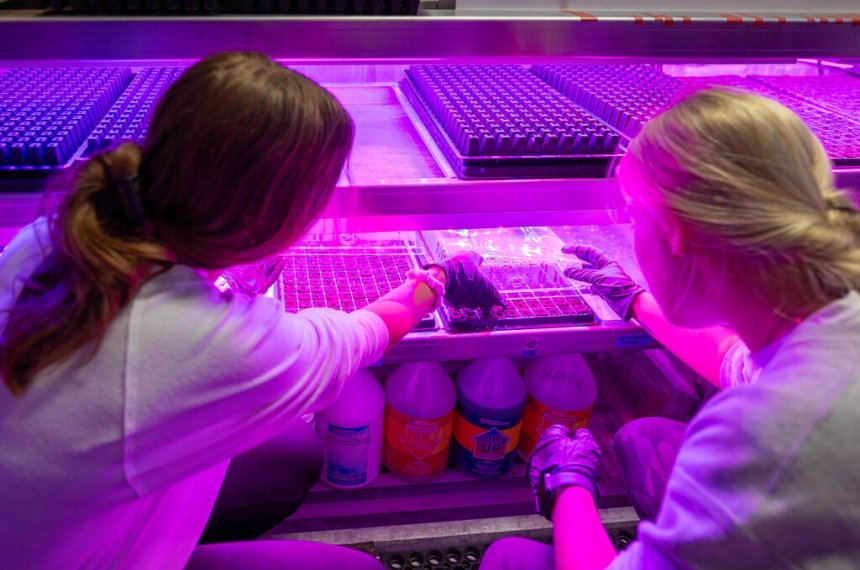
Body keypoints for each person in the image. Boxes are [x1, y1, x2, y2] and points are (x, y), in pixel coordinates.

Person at [0, 51, 501, 570]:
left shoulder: (59, 236)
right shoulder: (213, 343)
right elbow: (368, 331)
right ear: (267, 222)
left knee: (293, 451)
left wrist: (228, 275)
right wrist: (441, 275)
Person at [481, 87, 860, 569]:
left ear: (677, 235)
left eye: (635, 215)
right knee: (644, 440)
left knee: (509, 556)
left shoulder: (763, 436)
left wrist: (568, 487)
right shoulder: (831, 317)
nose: (631, 230)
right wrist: (635, 300)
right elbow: (738, 363)